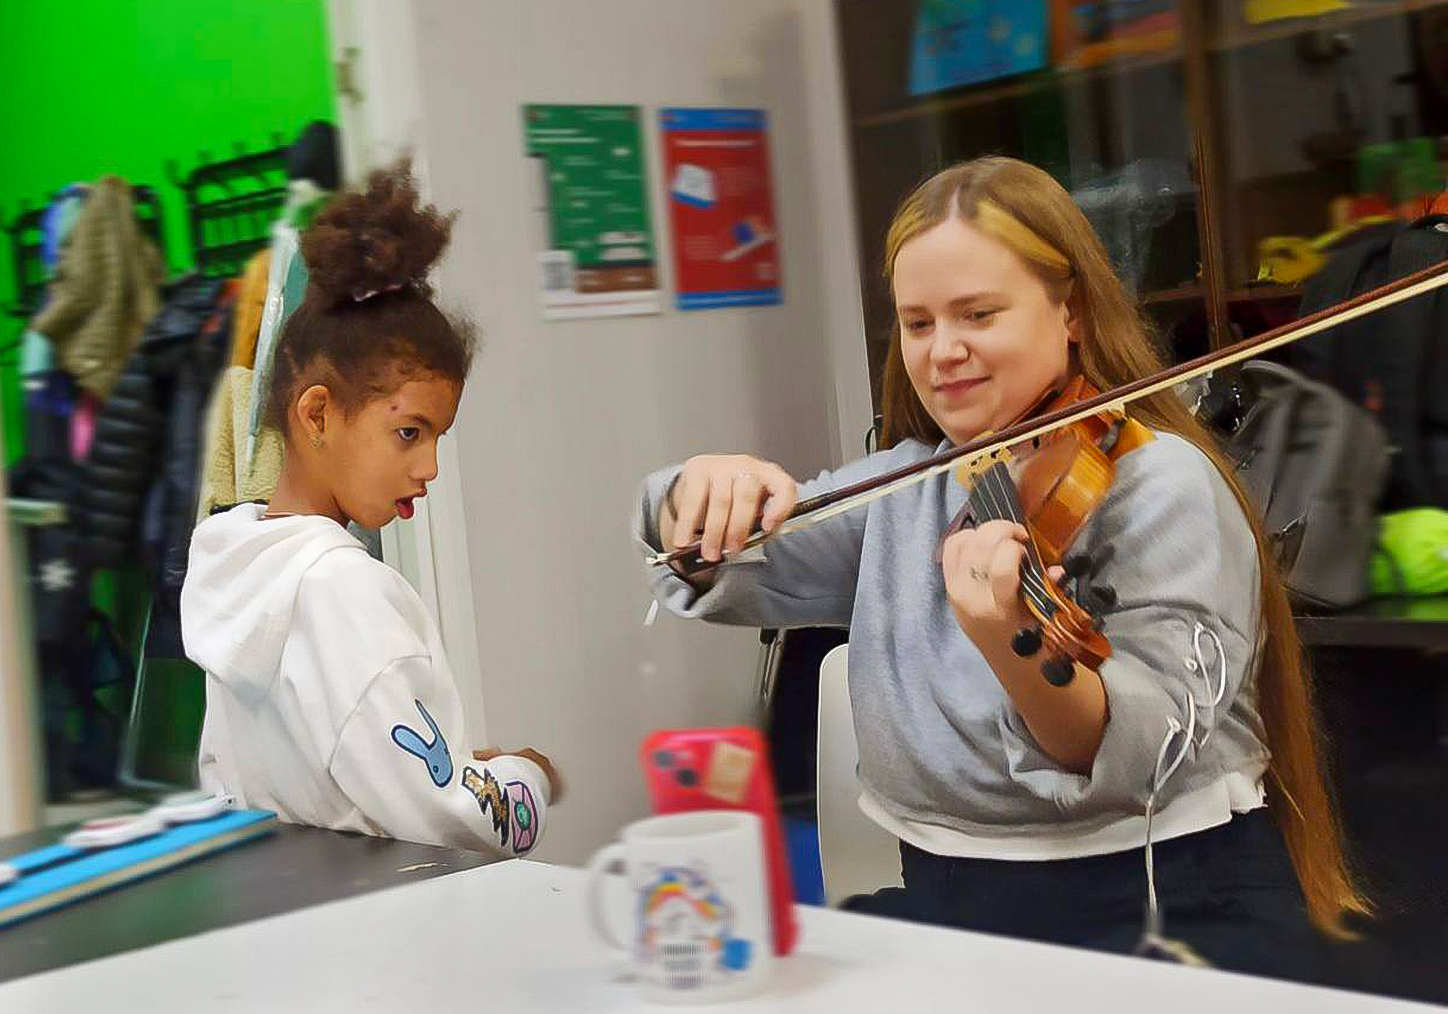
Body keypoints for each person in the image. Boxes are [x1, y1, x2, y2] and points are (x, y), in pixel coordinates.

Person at [633, 156, 1367, 978]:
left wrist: (1016, 638)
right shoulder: (912, 484)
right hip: (954, 898)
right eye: (917, 324)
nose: (943, 351)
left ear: (1072, 311)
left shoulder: (1161, 483)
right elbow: (723, 562)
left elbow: (1139, 755)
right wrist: (699, 493)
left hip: (1159, 904)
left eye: (977, 314)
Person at [182, 162, 559, 857]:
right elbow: (449, 823)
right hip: (375, 937)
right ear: (318, 414)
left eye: (438, 437)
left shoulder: (235, 567)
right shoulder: (341, 589)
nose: (430, 467)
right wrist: (527, 776)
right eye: (409, 432)